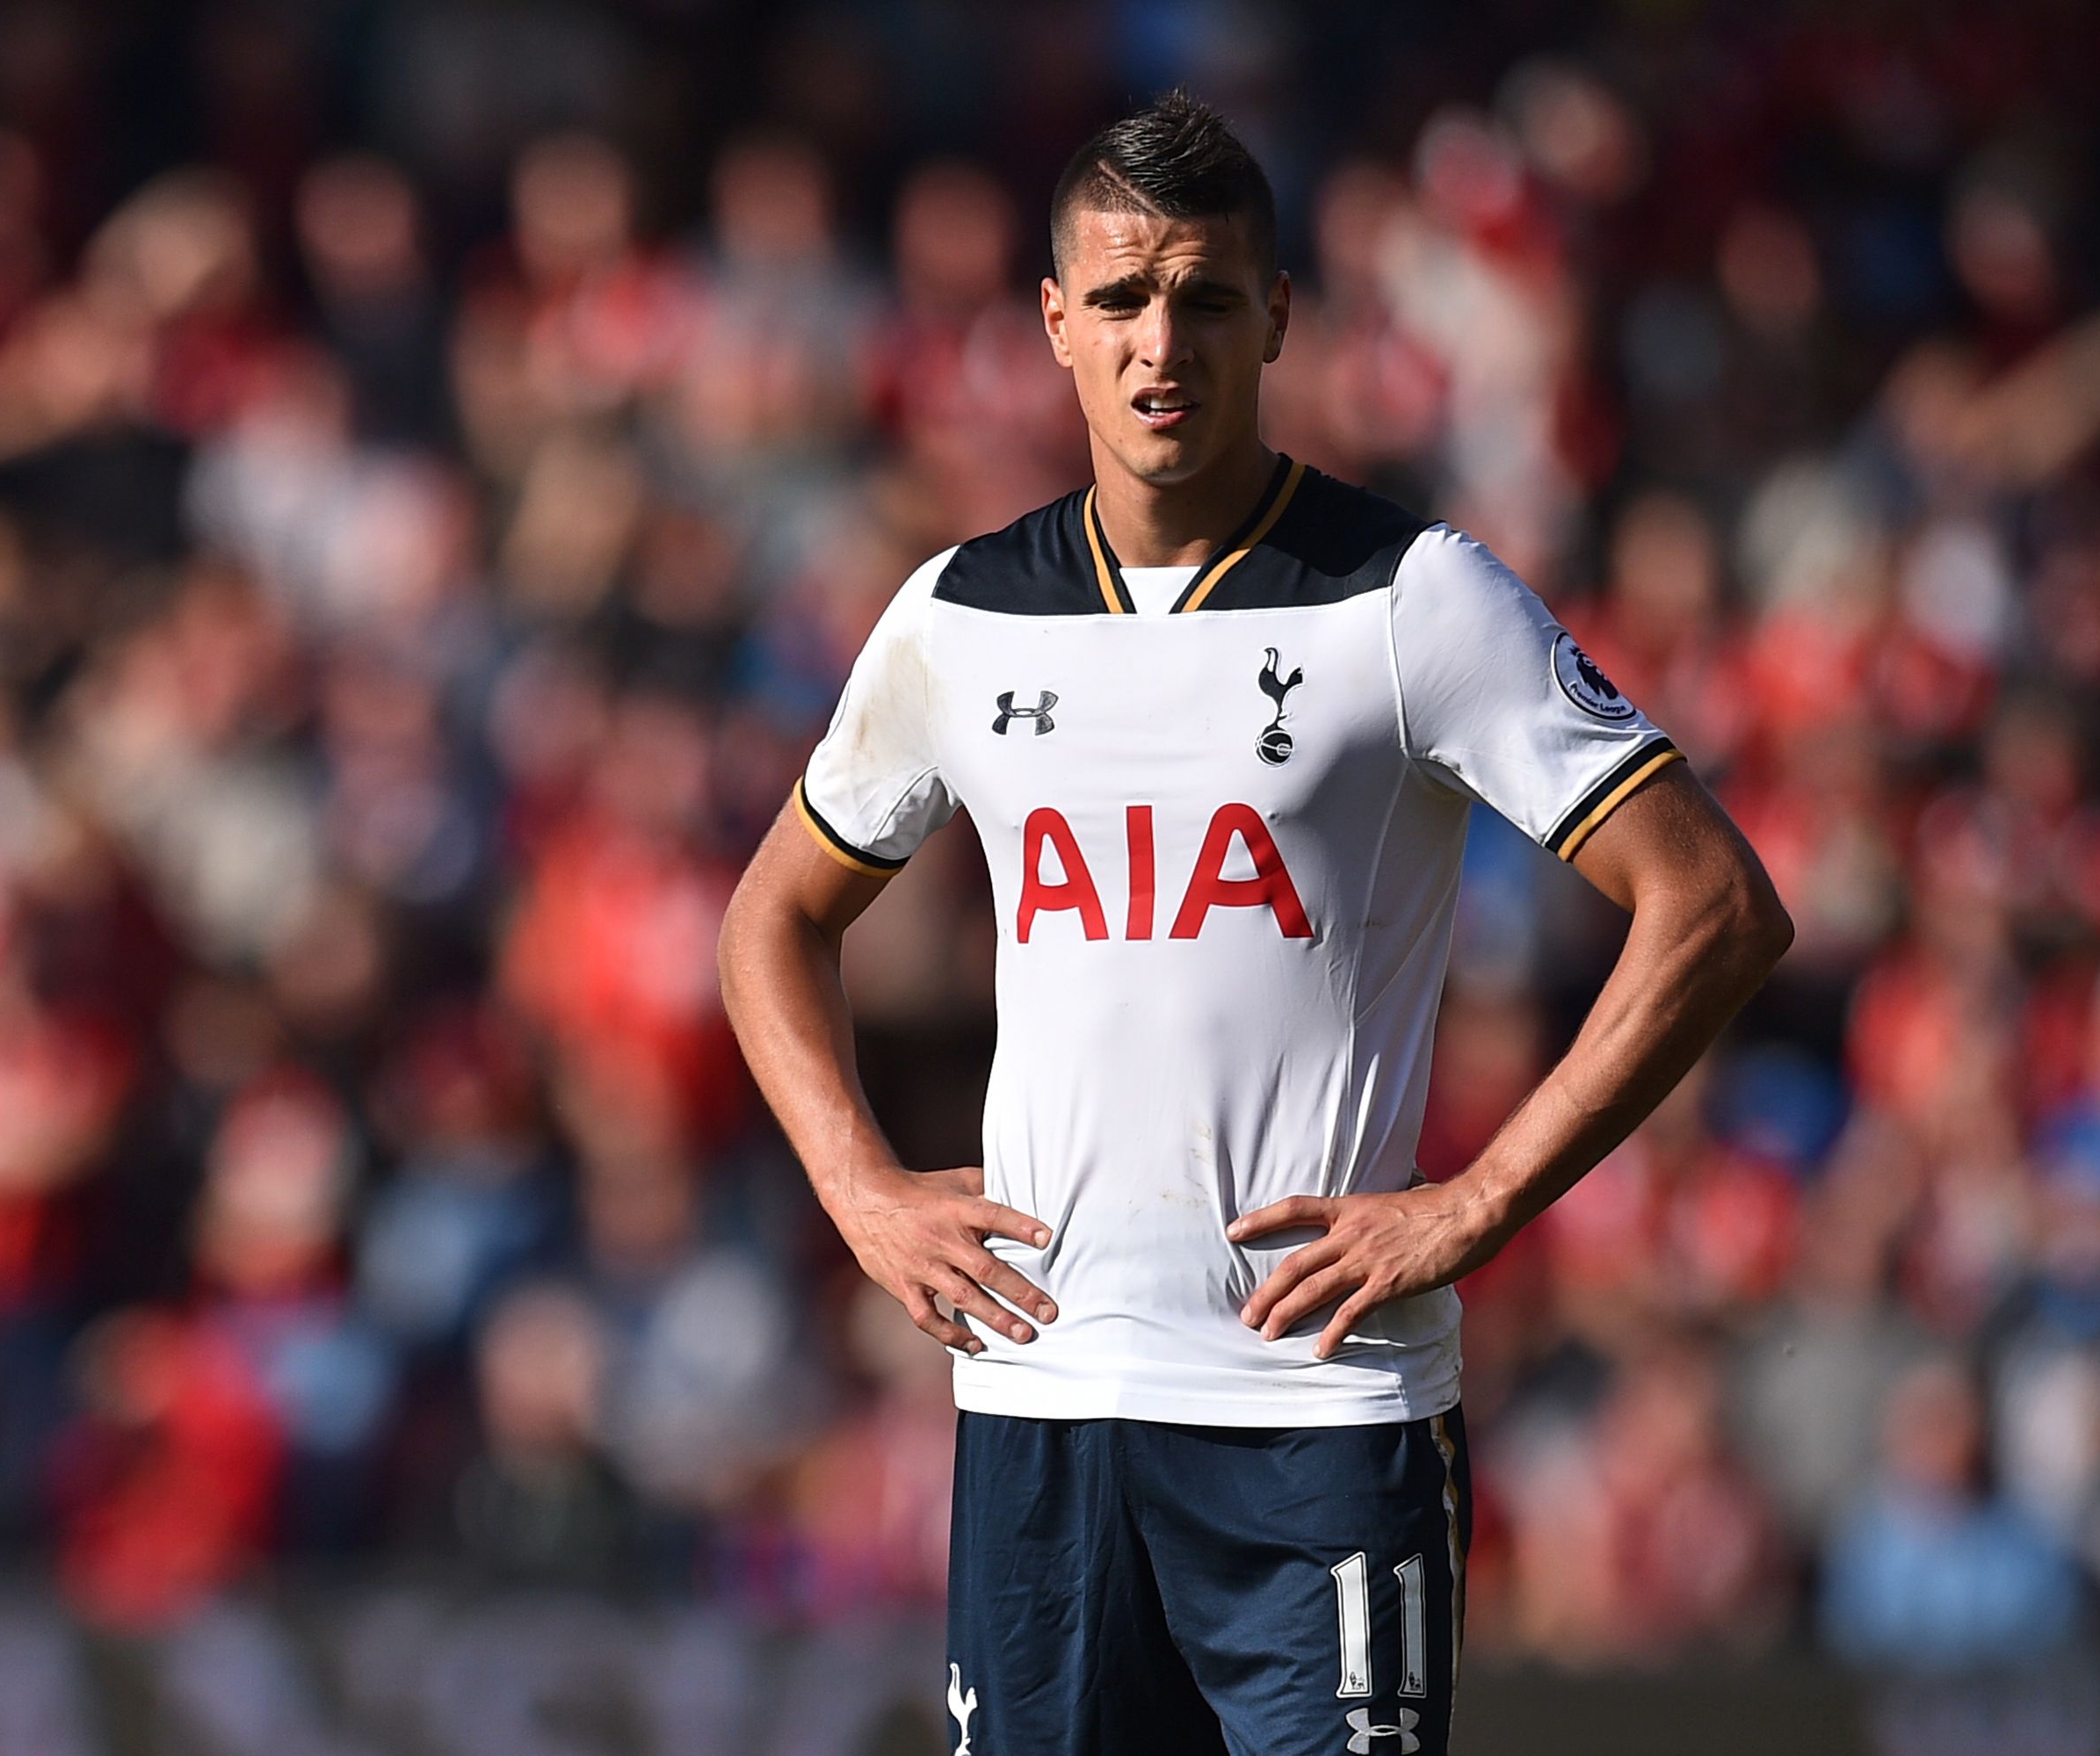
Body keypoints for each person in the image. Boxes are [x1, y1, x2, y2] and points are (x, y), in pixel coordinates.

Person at [716, 91, 1791, 1755]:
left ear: (1278, 316)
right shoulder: (961, 619)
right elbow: (771, 919)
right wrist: (861, 1192)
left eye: (1209, 297)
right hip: (1047, 1407)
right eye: (1126, 300)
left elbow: (1714, 903)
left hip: (1318, 1415)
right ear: (1055, 326)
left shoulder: (1410, 599)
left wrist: (1481, 1200)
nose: (1167, 343)